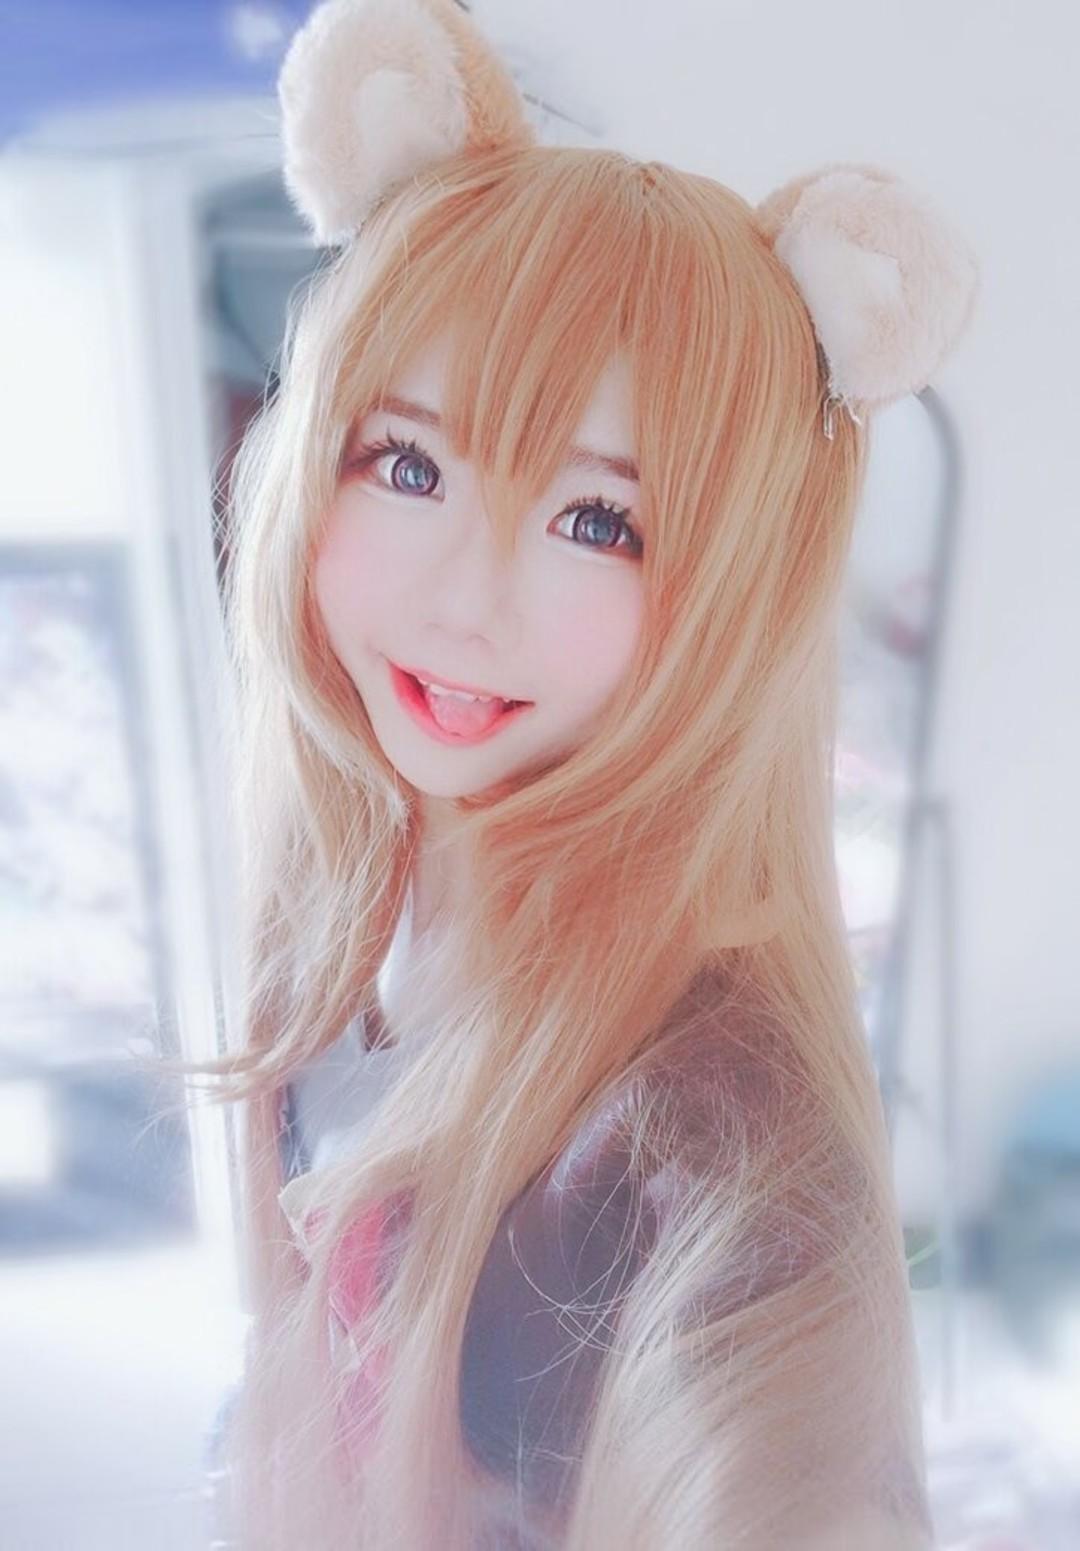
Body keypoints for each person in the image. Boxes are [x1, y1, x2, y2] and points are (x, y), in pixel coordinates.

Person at [175, 1, 981, 1545]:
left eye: (599, 522)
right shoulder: (365, 922)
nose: (468, 601)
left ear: (737, 592)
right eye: (411, 464)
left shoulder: (720, 1138)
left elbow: (779, 1448)